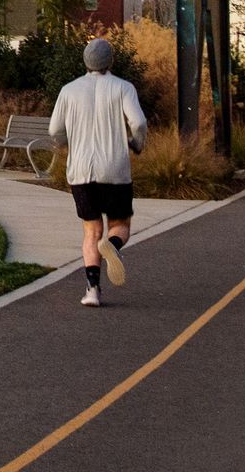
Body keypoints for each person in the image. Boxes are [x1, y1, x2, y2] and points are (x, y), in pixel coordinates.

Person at [49, 36, 148, 307]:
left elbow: (54, 130)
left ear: (85, 61)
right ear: (110, 61)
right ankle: (112, 247)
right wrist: (136, 144)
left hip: (81, 170)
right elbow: (138, 122)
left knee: (91, 231)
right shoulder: (123, 88)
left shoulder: (68, 91)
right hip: (114, 168)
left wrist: (63, 145)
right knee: (120, 225)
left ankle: (92, 291)